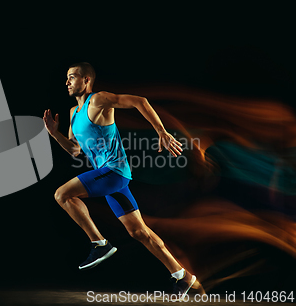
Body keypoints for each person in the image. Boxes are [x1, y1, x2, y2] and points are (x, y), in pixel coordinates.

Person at [43, 62, 203, 299]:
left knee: (62, 194)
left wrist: (161, 131)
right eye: (66, 78)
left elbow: (140, 101)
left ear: (86, 80)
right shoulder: (72, 113)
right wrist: (55, 134)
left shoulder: (98, 100)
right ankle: (183, 276)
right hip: (108, 177)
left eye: (73, 77)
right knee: (139, 232)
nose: (67, 82)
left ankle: (99, 244)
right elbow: (75, 150)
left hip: (114, 171)